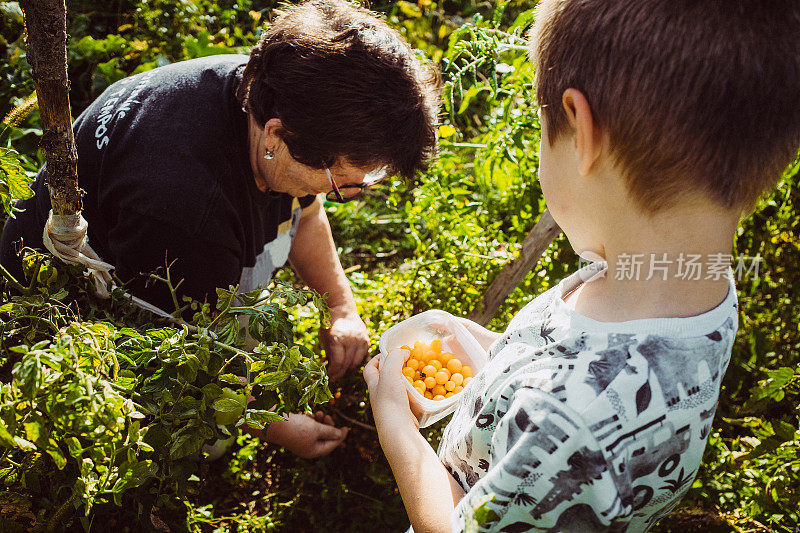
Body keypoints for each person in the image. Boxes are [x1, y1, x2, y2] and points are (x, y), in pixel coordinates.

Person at [364, 0, 800, 530]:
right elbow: (580, 357)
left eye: (542, 127)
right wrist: (496, 350)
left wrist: (397, 428)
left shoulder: (567, 428)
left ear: (580, 129)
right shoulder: (680, 280)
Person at [1, 0, 440, 459]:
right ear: (275, 137)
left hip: (172, 266)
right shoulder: (186, 216)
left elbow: (305, 208)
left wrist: (341, 305)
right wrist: (273, 423)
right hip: (75, 328)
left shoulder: (272, 91)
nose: (345, 195)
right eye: (342, 183)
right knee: (194, 435)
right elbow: (181, 359)